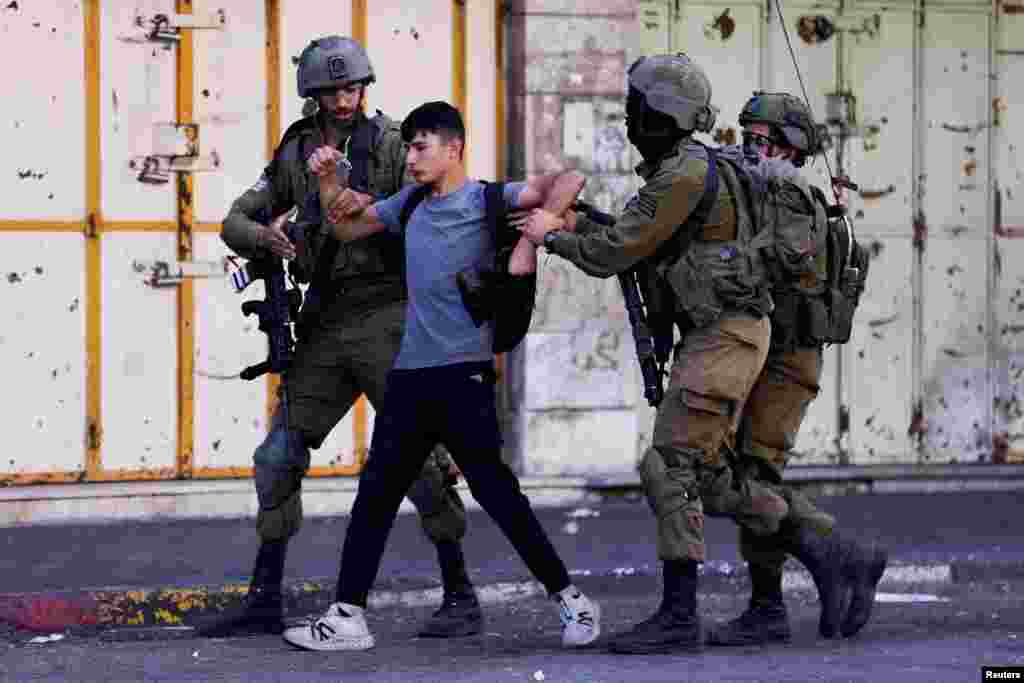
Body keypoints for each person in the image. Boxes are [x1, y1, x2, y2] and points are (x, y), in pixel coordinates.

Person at [281, 101, 601, 652]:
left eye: (421, 146)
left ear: (453, 149)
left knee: (499, 496)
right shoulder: (409, 204)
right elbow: (347, 224)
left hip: (462, 377)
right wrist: (331, 177)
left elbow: (569, 179)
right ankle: (348, 616)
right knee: (375, 494)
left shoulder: (487, 198)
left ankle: (573, 602)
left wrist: (530, 241)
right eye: (407, 146)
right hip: (409, 376)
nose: (410, 157)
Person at [204, 36, 482, 640]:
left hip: (391, 318)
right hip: (325, 324)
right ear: (313, 95)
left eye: (352, 86)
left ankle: (460, 593)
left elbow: (437, 209)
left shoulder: (392, 145)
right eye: (331, 89)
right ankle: (264, 597)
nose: (344, 98)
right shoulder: (297, 149)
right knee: (278, 456)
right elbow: (235, 219)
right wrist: (265, 239)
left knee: (423, 465)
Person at [519, 53, 785, 654]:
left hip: (725, 335)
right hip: (720, 334)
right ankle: (829, 548)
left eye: (638, 105)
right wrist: (582, 219)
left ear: (659, 114)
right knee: (711, 479)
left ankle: (679, 615)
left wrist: (552, 237)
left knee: (670, 467)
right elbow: (637, 234)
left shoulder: (683, 173)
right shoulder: (684, 167)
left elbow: (618, 250)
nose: (630, 115)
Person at [705, 92, 887, 646]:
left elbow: (774, 264)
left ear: (788, 147)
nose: (748, 149)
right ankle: (823, 565)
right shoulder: (771, 191)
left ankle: (812, 573)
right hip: (770, 353)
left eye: (759, 140)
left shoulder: (791, 196)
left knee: (752, 478)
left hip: (789, 359)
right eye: (746, 138)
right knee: (748, 476)